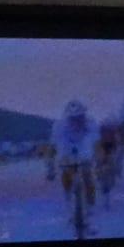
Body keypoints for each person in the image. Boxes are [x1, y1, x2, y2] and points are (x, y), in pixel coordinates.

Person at [53, 99, 99, 234]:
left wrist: (95, 157)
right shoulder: (60, 126)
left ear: (84, 115)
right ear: (68, 117)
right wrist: (59, 160)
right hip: (67, 149)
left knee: (88, 174)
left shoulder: (91, 123)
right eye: (73, 118)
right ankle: (68, 194)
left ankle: (90, 206)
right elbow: (57, 145)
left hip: (84, 148)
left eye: (80, 117)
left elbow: (94, 143)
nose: (77, 120)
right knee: (65, 171)